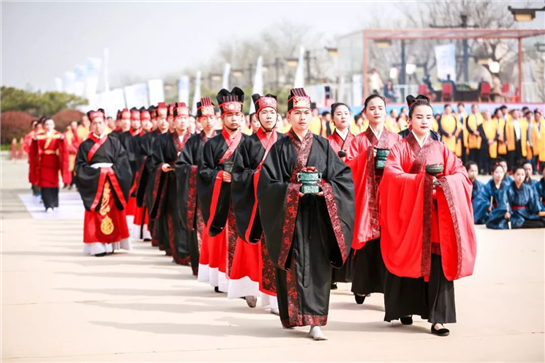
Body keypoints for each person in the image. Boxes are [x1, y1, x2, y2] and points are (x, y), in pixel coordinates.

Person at [257, 88, 355, 340]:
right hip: (290, 218)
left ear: (313, 115)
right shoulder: (279, 147)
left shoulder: (323, 145)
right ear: (288, 117)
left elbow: (342, 178)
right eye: (297, 113)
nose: (302, 118)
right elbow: (267, 184)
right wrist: (292, 191)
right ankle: (293, 316)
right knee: (294, 263)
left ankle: (316, 322)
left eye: (306, 113)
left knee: (318, 268)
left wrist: (326, 190)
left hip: (320, 217)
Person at [379, 94, 477, 337]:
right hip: (409, 218)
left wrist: (444, 184)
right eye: (419, 117)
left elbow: (461, 175)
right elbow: (391, 177)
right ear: (409, 120)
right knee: (407, 259)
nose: (424, 121)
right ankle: (405, 308)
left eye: (428, 117)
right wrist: (423, 183)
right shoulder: (399, 148)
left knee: (436, 265)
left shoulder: (441, 148)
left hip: (434, 218)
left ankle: (438, 319)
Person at [230, 93, 285, 311]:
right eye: (264, 113)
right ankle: (250, 289)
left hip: (280, 205)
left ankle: (275, 298)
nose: (269, 116)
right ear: (257, 118)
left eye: (272, 112)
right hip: (254, 206)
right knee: (253, 249)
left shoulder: (285, 141)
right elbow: (238, 174)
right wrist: (258, 176)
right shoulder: (248, 143)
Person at [346, 94, 401, 305]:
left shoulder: (396, 140)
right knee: (366, 242)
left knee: (389, 242)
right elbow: (348, 167)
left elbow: (404, 166)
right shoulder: (358, 141)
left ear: (386, 111)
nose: (377, 111)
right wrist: (367, 156)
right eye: (372, 108)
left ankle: (389, 287)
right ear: (365, 113)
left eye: (380, 108)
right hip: (365, 196)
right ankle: (362, 286)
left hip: (389, 197)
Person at [198, 87, 248, 292]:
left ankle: (242, 280)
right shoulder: (212, 144)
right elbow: (203, 171)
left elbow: (255, 170)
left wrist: (237, 177)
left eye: (237, 115)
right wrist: (219, 176)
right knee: (222, 236)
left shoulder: (249, 142)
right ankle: (221, 279)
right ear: (222, 117)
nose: (234, 119)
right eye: (230, 115)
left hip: (243, 197)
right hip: (220, 197)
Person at [74, 110, 133, 256]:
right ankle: (97, 246)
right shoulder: (85, 146)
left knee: (112, 211)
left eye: (100, 123)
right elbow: (79, 166)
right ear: (91, 126)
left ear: (105, 124)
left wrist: (111, 171)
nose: (98, 126)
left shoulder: (114, 142)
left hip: (113, 183)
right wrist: (97, 172)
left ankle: (111, 243)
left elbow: (123, 162)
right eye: (95, 123)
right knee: (95, 213)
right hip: (94, 184)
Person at [176, 98, 219, 278]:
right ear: (199, 121)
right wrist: (199, 170)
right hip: (199, 193)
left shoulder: (222, 140)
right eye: (205, 118)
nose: (209, 121)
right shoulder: (193, 142)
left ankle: (219, 267)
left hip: (219, 192)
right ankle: (201, 266)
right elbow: (181, 165)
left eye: (211, 117)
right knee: (200, 228)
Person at [148, 102, 193, 265]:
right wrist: (162, 166)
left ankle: (192, 251)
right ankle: (179, 253)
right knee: (175, 218)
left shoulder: (194, 140)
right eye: (179, 118)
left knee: (190, 218)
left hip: (190, 185)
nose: (182, 121)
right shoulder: (163, 140)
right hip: (172, 184)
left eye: (185, 118)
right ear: (172, 121)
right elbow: (154, 161)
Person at [326, 102, 356, 288]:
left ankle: (355, 276)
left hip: (355, 190)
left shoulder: (358, 140)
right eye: (339, 114)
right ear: (332, 119)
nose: (343, 116)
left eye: (346, 113)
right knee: (333, 230)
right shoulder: (326, 142)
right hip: (335, 191)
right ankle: (332, 275)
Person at [142, 104, 170, 248]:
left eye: (166, 118)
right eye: (161, 118)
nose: (164, 121)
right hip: (155, 176)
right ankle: (155, 235)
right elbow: (150, 160)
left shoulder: (172, 137)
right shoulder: (150, 137)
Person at [29, 118, 70, 212]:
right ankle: (47, 204)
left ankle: (54, 202)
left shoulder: (58, 135)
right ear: (44, 126)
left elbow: (63, 147)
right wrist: (34, 141)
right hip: (43, 161)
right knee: (44, 183)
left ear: (54, 125)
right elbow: (34, 146)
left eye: (50, 124)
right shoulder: (40, 135)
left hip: (54, 161)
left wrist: (63, 140)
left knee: (54, 182)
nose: (48, 126)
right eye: (46, 124)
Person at [131, 108, 154, 241]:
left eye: (148, 120)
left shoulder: (156, 137)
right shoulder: (137, 139)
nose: (146, 123)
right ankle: (143, 230)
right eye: (143, 120)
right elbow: (135, 156)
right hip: (142, 172)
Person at [472, 163, 508, 228]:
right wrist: (487, 205)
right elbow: (480, 199)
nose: (499, 175)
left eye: (501, 172)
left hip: (503, 211)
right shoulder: (487, 187)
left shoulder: (507, 186)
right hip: (491, 211)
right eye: (497, 172)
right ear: (492, 173)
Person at [24, 119, 43, 198]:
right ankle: (35, 189)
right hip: (33, 158)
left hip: (42, 158)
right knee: (34, 173)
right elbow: (26, 147)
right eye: (35, 125)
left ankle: (42, 190)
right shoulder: (29, 136)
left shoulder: (43, 134)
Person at [477, 110, 499, 175]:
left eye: (488, 114)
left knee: (492, 158)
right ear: (483, 116)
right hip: (484, 143)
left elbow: (498, 133)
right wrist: (487, 140)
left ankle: (491, 171)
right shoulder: (481, 124)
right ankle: (485, 170)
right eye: (486, 114)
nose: (487, 116)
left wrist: (493, 139)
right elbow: (481, 133)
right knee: (485, 157)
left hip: (493, 143)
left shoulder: (495, 123)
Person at [65, 120, 81, 189]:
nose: (73, 127)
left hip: (79, 153)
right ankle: (71, 183)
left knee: (78, 168)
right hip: (71, 154)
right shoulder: (67, 134)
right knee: (71, 168)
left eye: (75, 125)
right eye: (72, 125)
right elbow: (66, 143)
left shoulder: (79, 133)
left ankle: (78, 184)